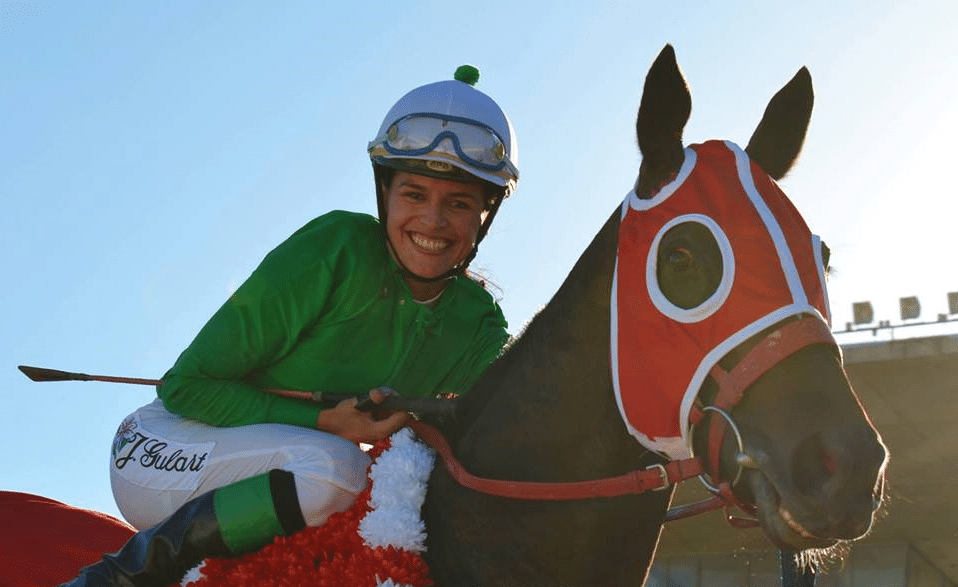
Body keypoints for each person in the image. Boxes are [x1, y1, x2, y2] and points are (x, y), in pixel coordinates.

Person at [61, 65, 519, 587]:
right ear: (385, 194)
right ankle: (116, 577)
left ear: (486, 215)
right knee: (339, 469)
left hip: (292, 476)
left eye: (458, 203)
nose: (433, 221)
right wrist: (329, 422)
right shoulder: (335, 247)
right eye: (414, 194)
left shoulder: (480, 326)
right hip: (162, 450)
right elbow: (186, 387)